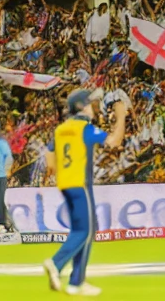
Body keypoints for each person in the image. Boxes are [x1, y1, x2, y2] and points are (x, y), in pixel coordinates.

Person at [43, 89, 128, 296]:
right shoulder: (85, 128)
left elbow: (49, 153)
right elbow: (114, 142)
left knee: (84, 232)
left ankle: (76, 282)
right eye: (90, 103)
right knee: (86, 232)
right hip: (81, 183)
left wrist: (54, 170)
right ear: (82, 107)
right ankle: (56, 263)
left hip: (65, 183)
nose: (94, 106)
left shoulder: (62, 129)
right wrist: (122, 116)